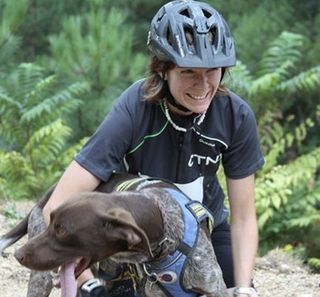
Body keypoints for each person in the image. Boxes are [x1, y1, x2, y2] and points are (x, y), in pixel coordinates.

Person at [43, 0, 264, 296]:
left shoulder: (235, 115)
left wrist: (244, 287)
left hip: (206, 229)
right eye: (188, 72)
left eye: (212, 70)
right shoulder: (134, 108)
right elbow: (57, 205)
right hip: (137, 235)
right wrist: (86, 282)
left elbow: (244, 217)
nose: (202, 86)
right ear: (162, 69)